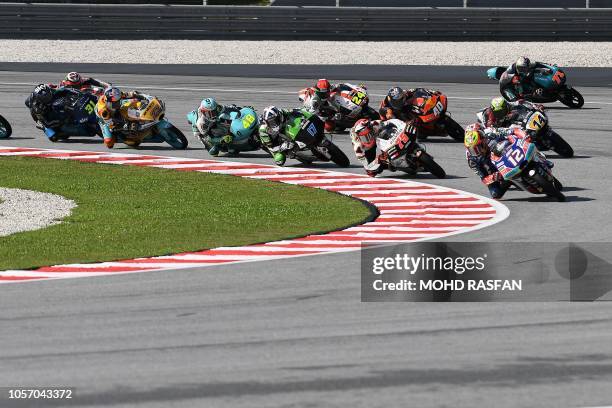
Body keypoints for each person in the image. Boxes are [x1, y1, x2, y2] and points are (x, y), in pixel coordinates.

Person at [476, 97, 544, 129]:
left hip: (504, 119)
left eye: (502, 110)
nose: (500, 113)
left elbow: (520, 102)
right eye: (498, 112)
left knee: (518, 110)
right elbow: (490, 130)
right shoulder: (490, 117)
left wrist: (535, 106)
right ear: (493, 111)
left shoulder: (507, 105)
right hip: (496, 125)